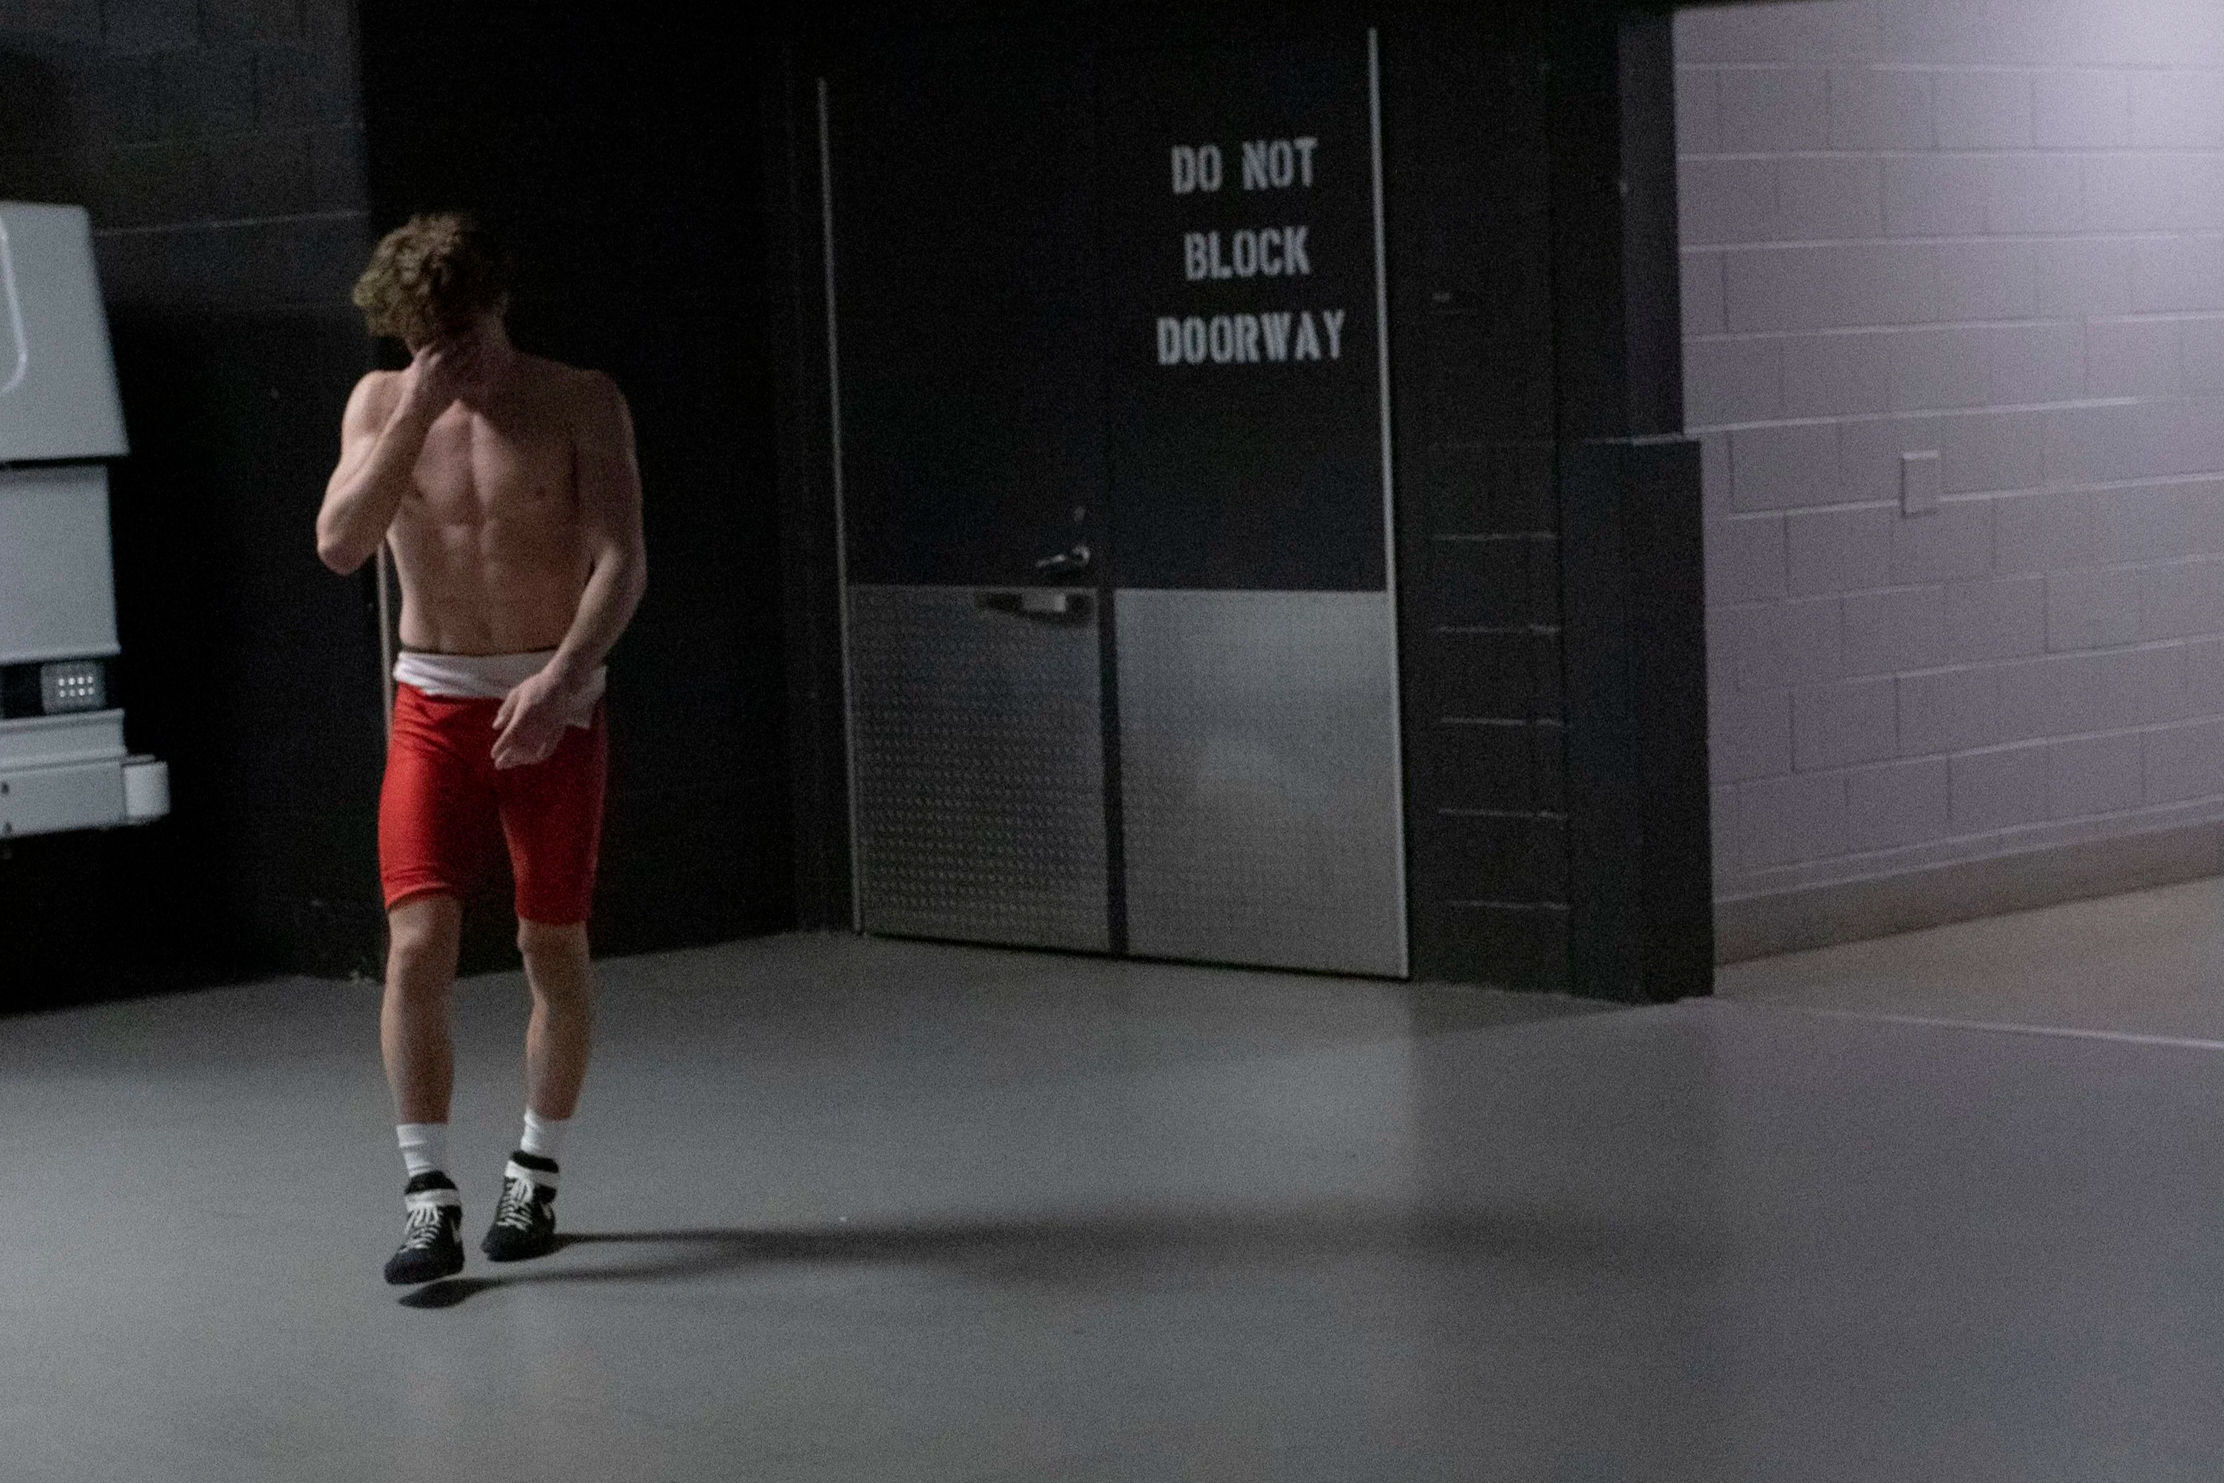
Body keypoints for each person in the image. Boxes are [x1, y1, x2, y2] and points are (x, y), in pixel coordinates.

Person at [317, 213, 647, 1284]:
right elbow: (340, 544)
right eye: (424, 340)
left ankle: (535, 1170)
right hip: (435, 701)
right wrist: (415, 408)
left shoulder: (579, 398)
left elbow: (622, 559)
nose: (446, 357)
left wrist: (562, 678)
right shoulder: (383, 401)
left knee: (551, 943)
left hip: (555, 699)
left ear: (497, 305)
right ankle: (428, 1194)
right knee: (417, 945)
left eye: (459, 335)